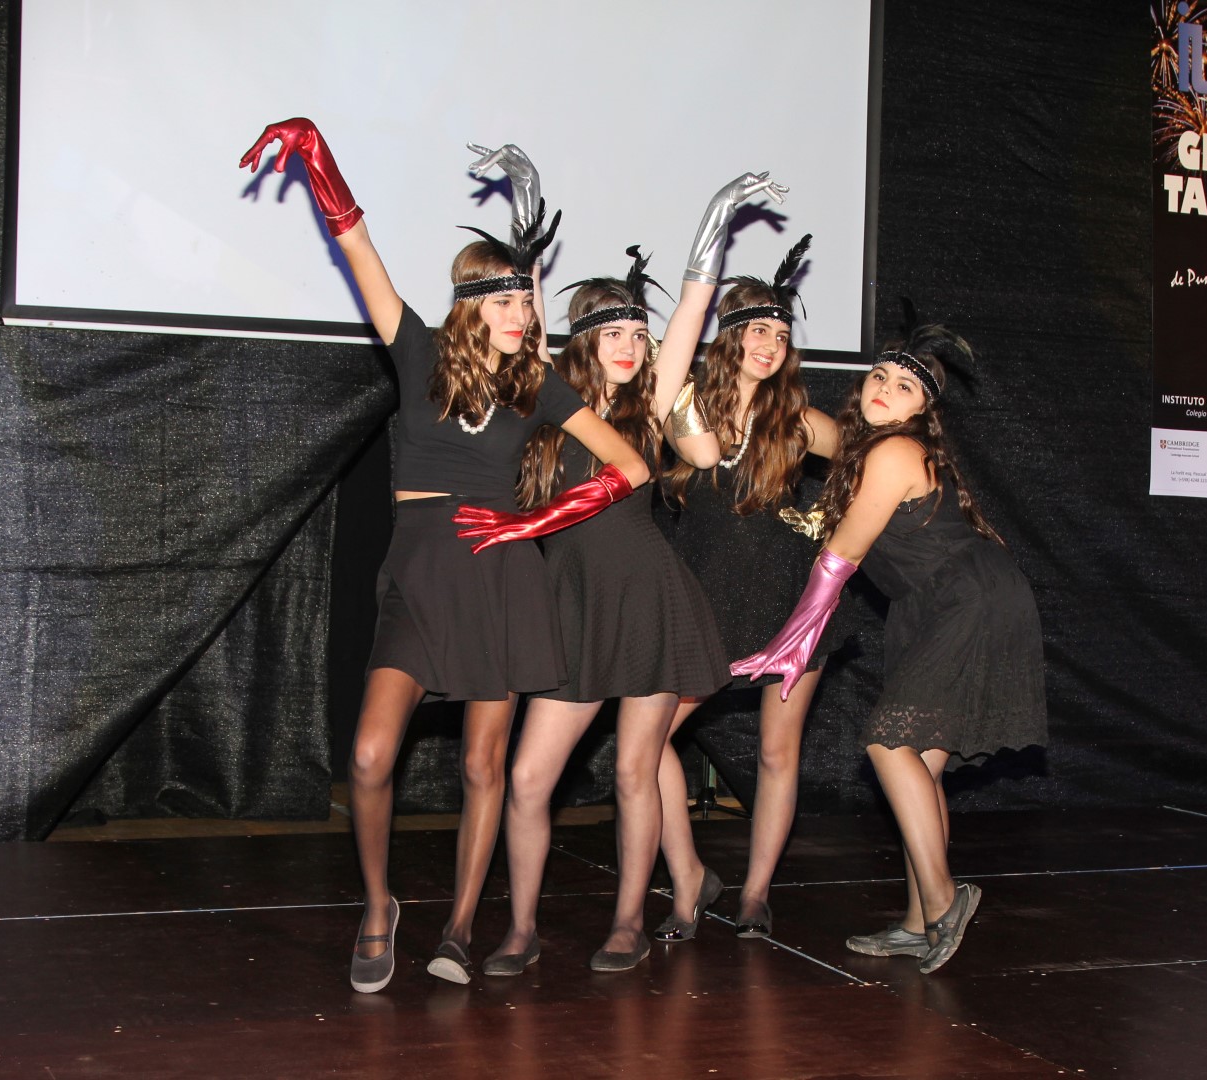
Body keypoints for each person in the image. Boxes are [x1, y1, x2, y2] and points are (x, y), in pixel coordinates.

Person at [238, 121, 650, 992]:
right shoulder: (418, 349)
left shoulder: (539, 385)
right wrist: (317, 155)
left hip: (500, 577)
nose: (522, 316)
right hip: (420, 575)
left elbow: (631, 467)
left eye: (527, 304)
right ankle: (378, 905)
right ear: (471, 305)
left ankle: (461, 926)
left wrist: (530, 526)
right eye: (507, 304)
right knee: (368, 756)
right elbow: (358, 248)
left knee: (481, 765)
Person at [483, 174, 783, 976]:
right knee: (528, 778)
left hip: (649, 600)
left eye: (637, 334)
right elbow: (525, 317)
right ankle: (520, 929)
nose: (629, 344)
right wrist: (524, 215)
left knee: (633, 769)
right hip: (571, 606)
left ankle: (627, 924)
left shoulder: (648, 404)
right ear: (583, 341)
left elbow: (691, 308)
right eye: (613, 332)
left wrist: (718, 216)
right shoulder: (546, 398)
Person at [732, 323, 1046, 974]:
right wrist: (751, 364)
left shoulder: (897, 450)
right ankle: (917, 923)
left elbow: (838, 559)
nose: (884, 387)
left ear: (922, 410)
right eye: (879, 375)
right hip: (929, 607)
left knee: (887, 742)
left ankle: (944, 901)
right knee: (920, 768)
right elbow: (786, 417)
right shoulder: (864, 446)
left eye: (904, 386)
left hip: (965, 600)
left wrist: (790, 644)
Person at [656, 235, 850, 943]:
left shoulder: (797, 422)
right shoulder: (691, 411)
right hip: (706, 599)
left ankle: (757, 893)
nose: (770, 344)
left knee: (777, 752)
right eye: (757, 330)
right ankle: (689, 879)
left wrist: (831, 528)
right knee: (645, 745)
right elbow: (663, 384)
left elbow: (874, 461)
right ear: (728, 337)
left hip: (789, 603)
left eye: (781, 334)